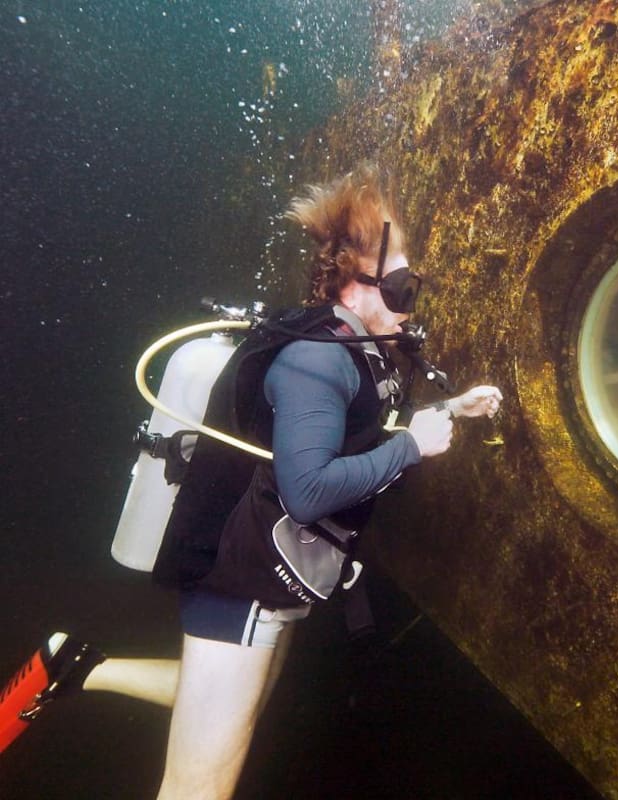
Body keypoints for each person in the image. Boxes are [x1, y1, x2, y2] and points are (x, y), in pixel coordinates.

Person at [0, 163, 502, 799]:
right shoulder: (318, 358)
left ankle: (75, 666)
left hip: (274, 582)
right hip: (241, 592)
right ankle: (74, 667)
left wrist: (448, 413)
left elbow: (354, 437)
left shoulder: (354, 350)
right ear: (356, 285)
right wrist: (411, 446)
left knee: (233, 701)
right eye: (402, 285)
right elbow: (307, 490)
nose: (411, 302)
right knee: (196, 790)